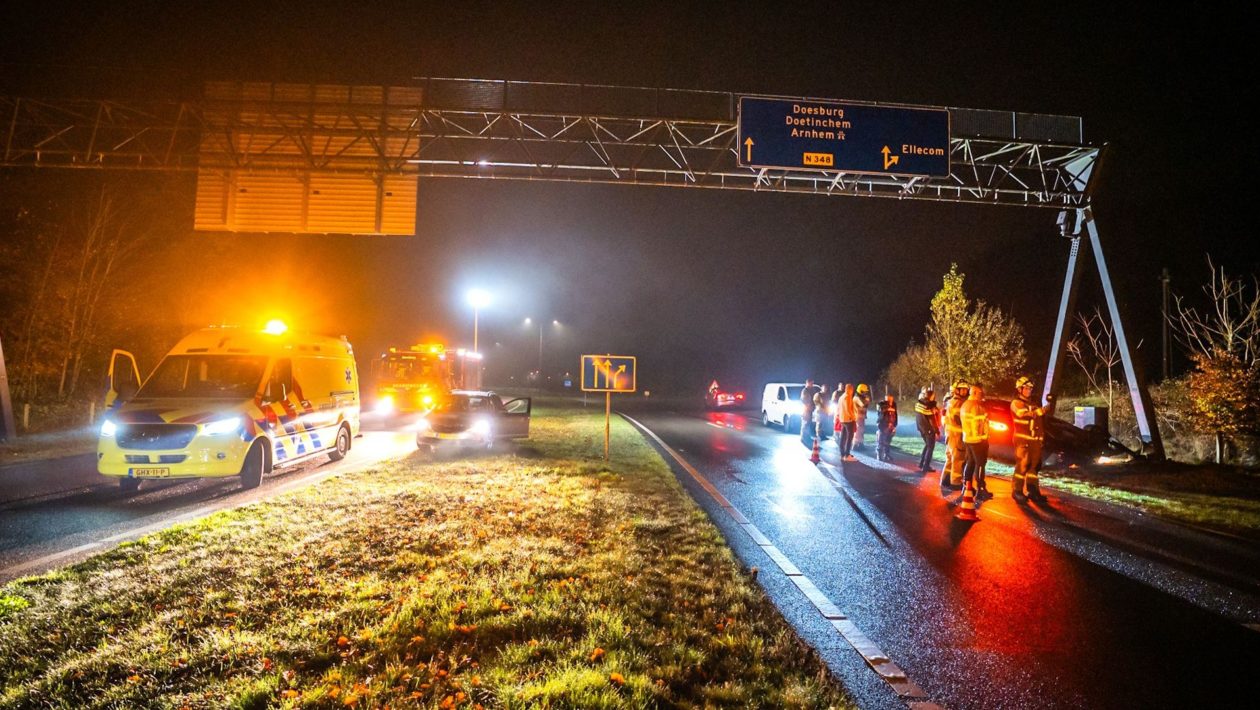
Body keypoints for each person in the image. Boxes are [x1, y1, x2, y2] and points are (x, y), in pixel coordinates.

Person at [1011, 376, 1052, 503]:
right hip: (1023, 441)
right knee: (1022, 466)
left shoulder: (1033, 404)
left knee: (1034, 467)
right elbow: (1023, 415)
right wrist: (1040, 411)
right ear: (1020, 389)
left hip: (1034, 441)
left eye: (1030, 388)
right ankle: (1017, 491)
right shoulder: (1016, 403)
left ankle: (1033, 490)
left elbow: (1039, 423)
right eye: (1027, 388)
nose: (1029, 390)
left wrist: (1041, 437)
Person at [961, 383, 991, 499]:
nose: (981, 395)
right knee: (980, 464)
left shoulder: (965, 405)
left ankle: (967, 486)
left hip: (968, 439)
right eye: (980, 393)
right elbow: (980, 424)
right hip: (978, 441)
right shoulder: (976, 406)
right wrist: (984, 437)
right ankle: (980, 489)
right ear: (974, 392)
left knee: (970, 462)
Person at [941, 380, 969, 489]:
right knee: (958, 459)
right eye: (962, 389)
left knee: (950, 458)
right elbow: (959, 419)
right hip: (956, 436)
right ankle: (955, 482)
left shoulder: (952, 401)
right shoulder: (958, 403)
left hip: (951, 435)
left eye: (965, 390)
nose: (964, 392)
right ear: (957, 390)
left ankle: (945, 479)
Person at [914, 386, 940, 472]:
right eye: (933, 396)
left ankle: (922, 463)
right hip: (928, 429)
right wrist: (937, 431)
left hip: (921, 428)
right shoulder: (928, 407)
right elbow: (932, 420)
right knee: (930, 447)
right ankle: (926, 466)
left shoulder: (919, 404)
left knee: (927, 445)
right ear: (931, 396)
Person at [800, 378, 821, 447]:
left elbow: (814, 398)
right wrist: (808, 406)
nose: (812, 385)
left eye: (812, 383)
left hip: (810, 409)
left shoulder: (812, 390)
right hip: (806, 410)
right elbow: (805, 400)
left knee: (808, 423)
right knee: (805, 423)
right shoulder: (805, 391)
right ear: (807, 383)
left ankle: (807, 437)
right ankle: (803, 438)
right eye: (811, 383)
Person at [876, 394, 897, 462]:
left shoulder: (894, 405)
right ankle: (879, 454)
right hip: (883, 425)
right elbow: (880, 409)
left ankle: (886, 454)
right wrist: (887, 406)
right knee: (881, 441)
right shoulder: (881, 404)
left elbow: (895, 415)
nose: (890, 401)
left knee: (888, 441)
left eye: (891, 400)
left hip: (891, 425)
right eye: (888, 400)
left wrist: (894, 425)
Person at [853, 384, 872, 450]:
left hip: (861, 417)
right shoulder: (857, 398)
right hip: (858, 417)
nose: (865, 393)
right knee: (858, 431)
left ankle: (860, 444)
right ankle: (855, 445)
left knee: (861, 430)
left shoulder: (860, 397)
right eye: (864, 391)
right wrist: (867, 400)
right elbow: (863, 405)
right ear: (860, 391)